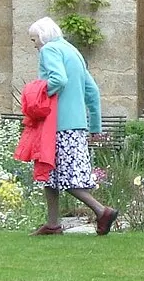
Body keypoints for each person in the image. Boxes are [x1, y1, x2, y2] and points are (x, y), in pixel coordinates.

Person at [29, 17, 117, 236]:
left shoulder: (49, 50)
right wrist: (95, 126)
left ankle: (101, 211)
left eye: (34, 40)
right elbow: (92, 91)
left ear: (42, 36)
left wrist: (37, 95)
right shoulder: (73, 52)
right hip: (77, 125)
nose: (34, 45)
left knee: (67, 177)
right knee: (50, 173)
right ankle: (52, 224)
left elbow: (58, 80)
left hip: (57, 124)